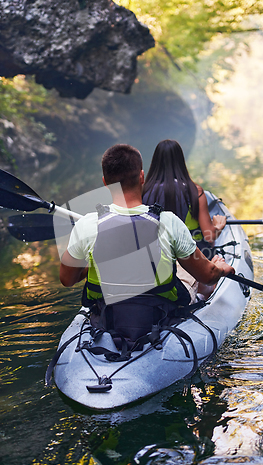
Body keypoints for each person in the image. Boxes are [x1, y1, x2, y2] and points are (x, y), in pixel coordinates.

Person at [59, 144, 234, 347]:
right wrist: (222, 268)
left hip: (108, 316)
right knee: (187, 271)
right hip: (160, 314)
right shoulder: (169, 221)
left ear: (105, 182)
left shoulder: (87, 225)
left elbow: (67, 279)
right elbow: (207, 274)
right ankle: (203, 297)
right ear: (141, 176)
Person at [142, 139, 227, 259]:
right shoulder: (195, 192)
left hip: (157, 254)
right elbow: (209, 236)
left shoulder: (143, 191)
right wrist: (218, 226)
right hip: (192, 255)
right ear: (181, 161)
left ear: (155, 161)